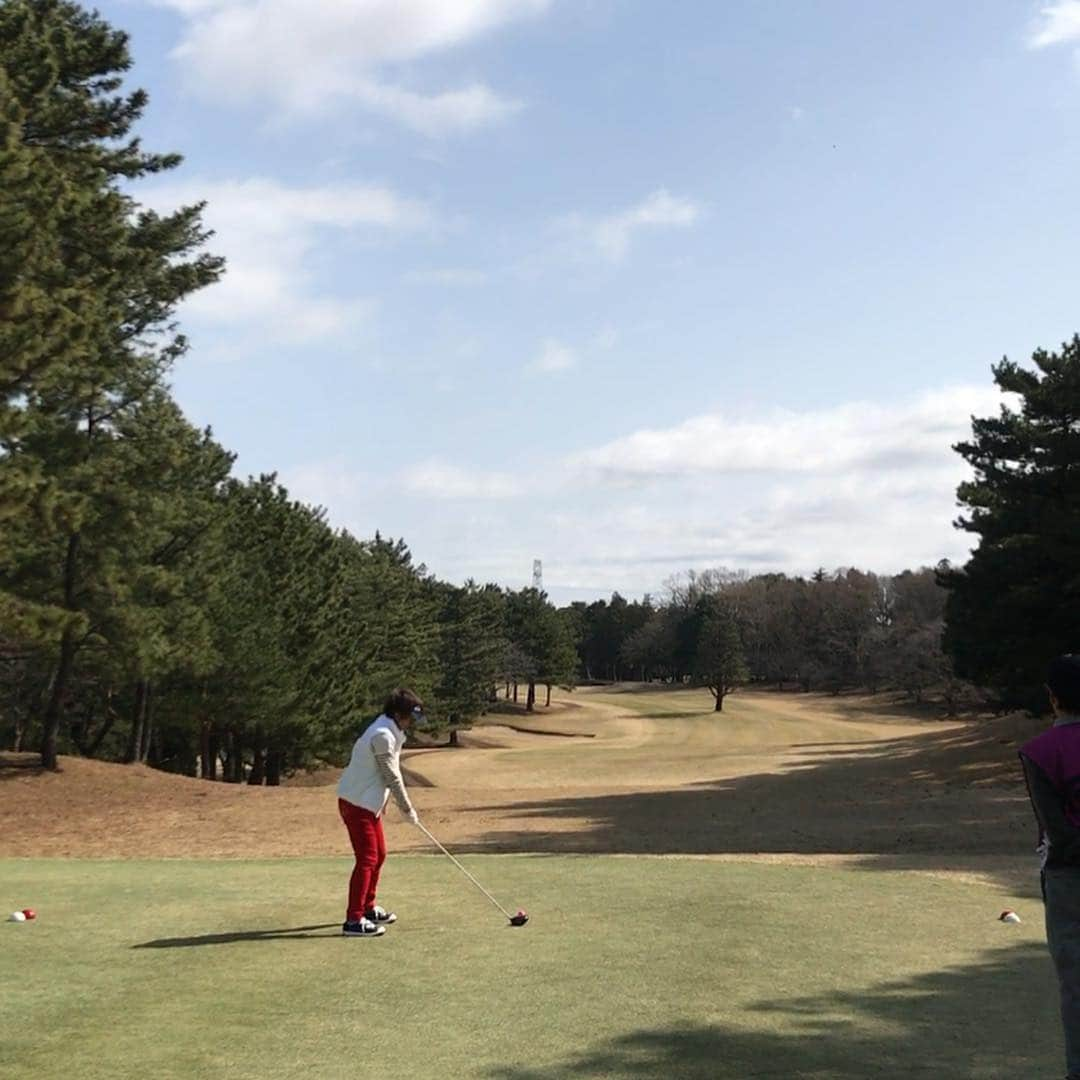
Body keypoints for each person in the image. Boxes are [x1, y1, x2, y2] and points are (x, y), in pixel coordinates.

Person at [1020, 655, 1080, 1080]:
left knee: (1077, 983)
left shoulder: (1039, 751)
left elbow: (1056, 829)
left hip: (1068, 877)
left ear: (1053, 697)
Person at [337, 688, 423, 937]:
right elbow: (392, 776)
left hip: (368, 804)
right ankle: (353, 920)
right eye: (409, 718)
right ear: (397, 714)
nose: (411, 724)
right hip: (356, 804)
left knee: (379, 854)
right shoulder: (382, 735)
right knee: (367, 859)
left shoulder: (392, 730)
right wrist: (407, 808)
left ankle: (367, 907)